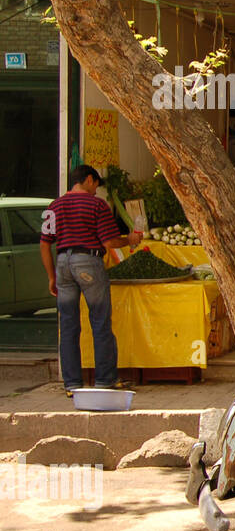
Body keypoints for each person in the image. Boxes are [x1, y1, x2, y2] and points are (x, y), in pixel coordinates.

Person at [39, 164, 145, 396]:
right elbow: (109, 242)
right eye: (96, 185)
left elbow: (45, 243)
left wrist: (51, 276)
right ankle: (105, 380)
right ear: (88, 180)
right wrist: (130, 239)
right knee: (100, 321)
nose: (96, 191)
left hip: (63, 264)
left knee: (68, 326)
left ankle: (72, 384)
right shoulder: (96, 204)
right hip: (88, 262)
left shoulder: (54, 206)